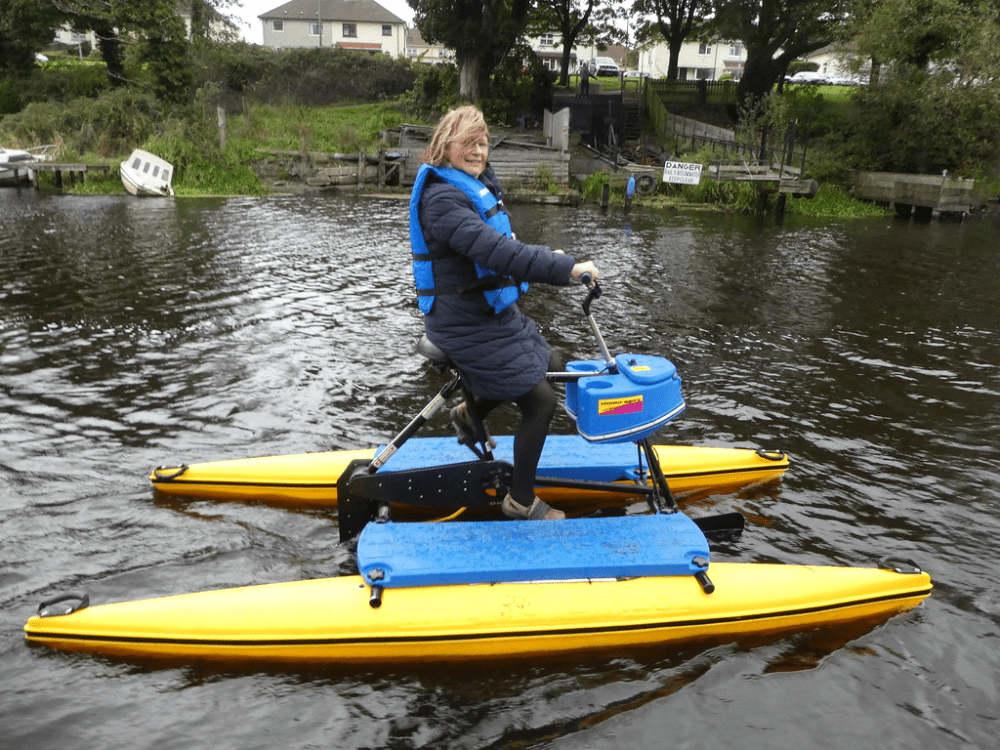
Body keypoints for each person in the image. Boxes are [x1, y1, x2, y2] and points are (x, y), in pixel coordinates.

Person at [409, 105, 598, 521]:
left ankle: (467, 410)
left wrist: (551, 257)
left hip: (485, 313)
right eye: (468, 143)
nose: (478, 152)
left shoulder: (468, 188)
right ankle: (521, 501)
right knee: (541, 402)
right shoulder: (442, 200)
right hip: (462, 323)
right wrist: (564, 268)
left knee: (550, 361)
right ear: (446, 146)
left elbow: (502, 245)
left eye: (483, 142)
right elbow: (497, 251)